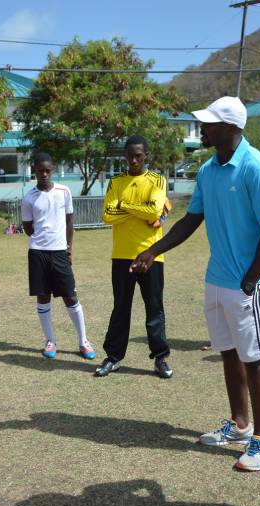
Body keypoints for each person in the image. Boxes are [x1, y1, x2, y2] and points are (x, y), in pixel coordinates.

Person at [133, 98, 260, 471]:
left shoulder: (256, 167)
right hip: (217, 279)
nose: (202, 128)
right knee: (229, 352)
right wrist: (154, 250)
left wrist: (252, 278)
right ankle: (239, 425)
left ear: (232, 128)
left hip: (249, 285)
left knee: (256, 357)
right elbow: (191, 219)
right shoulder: (208, 170)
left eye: (209, 124)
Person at [97, 135, 173, 379]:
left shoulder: (157, 180)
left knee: (154, 308)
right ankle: (113, 357)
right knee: (121, 307)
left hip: (151, 254)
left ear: (146, 155)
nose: (133, 159)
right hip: (121, 255)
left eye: (138, 155)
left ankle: (160, 358)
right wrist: (140, 209)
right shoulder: (115, 181)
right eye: (129, 154)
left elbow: (154, 210)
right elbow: (107, 214)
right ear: (124, 155)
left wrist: (125, 206)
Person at [20, 152, 96, 360]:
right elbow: (28, 228)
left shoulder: (64, 191)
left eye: (47, 170)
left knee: (70, 296)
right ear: (34, 170)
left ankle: (84, 341)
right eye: (40, 170)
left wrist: (69, 248)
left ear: (52, 170)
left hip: (60, 252)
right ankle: (50, 340)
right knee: (43, 297)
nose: (44, 174)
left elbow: (70, 222)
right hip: (38, 253)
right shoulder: (29, 197)